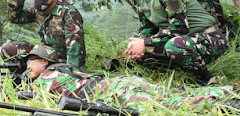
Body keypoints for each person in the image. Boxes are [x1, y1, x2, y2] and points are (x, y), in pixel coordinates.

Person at [27, 45, 238, 112]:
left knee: (169, 103)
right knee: (171, 93)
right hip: (119, 82)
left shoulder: (46, 77)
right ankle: (227, 92)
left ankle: (225, 103)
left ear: (45, 62)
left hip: (114, 91)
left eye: (32, 61)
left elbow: (36, 101)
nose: (28, 66)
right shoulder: (65, 69)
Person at [124, 0, 227, 85]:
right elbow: (148, 27)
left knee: (174, 46)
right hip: (184, 38)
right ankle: (180, 69)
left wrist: (145, 44)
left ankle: (205, 78)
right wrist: (139, 42)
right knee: (139, 51)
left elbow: (180, 29)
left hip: (209, 38)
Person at [0, 0, 86, 68]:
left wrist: (69, 74)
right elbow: (14, 18)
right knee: (7, 48)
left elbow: (75, 53)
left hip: (61, 63)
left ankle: (41, 74)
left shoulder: (70, 14)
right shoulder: (38, 10)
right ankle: (24, 78)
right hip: (44, 55)